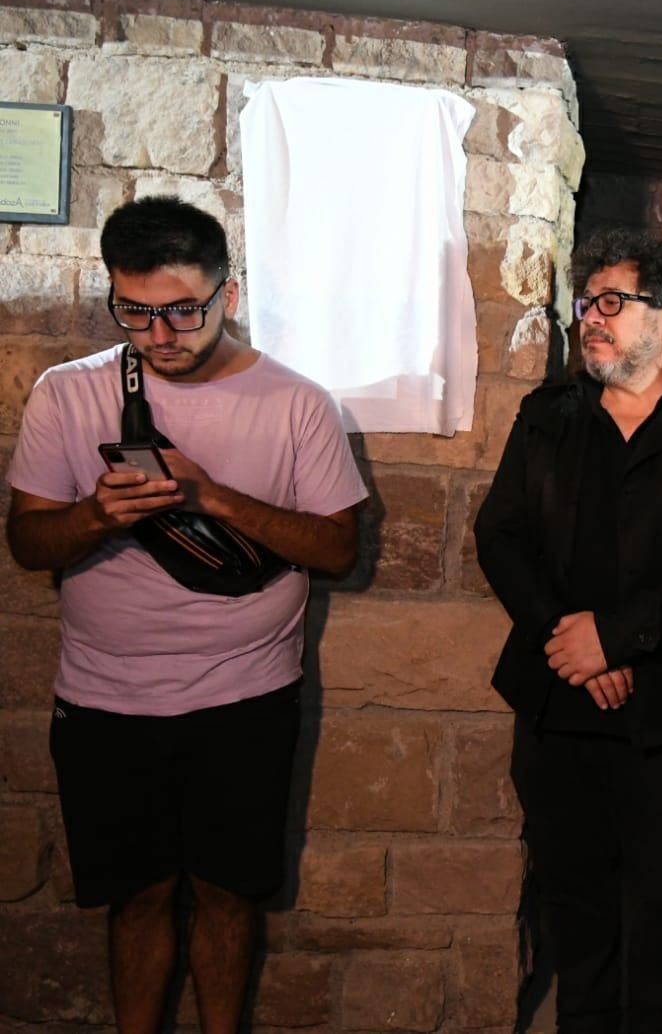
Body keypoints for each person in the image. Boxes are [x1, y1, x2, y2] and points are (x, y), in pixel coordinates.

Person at [3, 196, 367, 1033]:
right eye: (135, 312)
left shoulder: (297, 403)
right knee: (136, 897)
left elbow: (336, 549)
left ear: (227, 297)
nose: (159, 335)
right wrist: (99, 514)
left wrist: (209, 495)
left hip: (245, 698)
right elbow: (29, 545)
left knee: (228, 896)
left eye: (181, 312)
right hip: (102, 698)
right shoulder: (68, 394)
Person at [474, 229, 662, 1034]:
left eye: (612, 302)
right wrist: (569, 645)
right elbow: (499, 535)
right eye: (586, 303)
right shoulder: (549, 417)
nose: (590, 319)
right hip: (559, 705)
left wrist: (618, 639)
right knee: (576, 907)